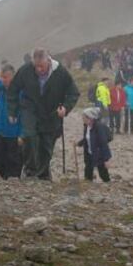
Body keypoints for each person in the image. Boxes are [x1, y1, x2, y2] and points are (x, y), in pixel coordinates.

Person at [7, 49, 80, 181]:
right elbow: (13, 89)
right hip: (30, 108)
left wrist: (65, 108)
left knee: (46, 146)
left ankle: (43, 174)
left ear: (49, 60)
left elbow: (73, 92)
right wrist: (12, 111)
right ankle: (30, 172)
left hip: (51, 112)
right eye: (36, 66)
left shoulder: (60, 72)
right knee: (29, 136)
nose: (39, 69)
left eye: (42, 66)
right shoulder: (26, 70)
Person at [77, 107, 111, 182]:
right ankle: (88, 184)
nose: (83, 119)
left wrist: (106, 159)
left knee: (103, 173)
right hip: (89, 153)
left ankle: (108, 185)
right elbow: (87, 138)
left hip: (99, 154)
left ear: (90, 118)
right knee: (88, 171)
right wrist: (79, 143)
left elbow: (103, 143)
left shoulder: (99, 127)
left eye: (84, 117)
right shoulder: (86, 126)